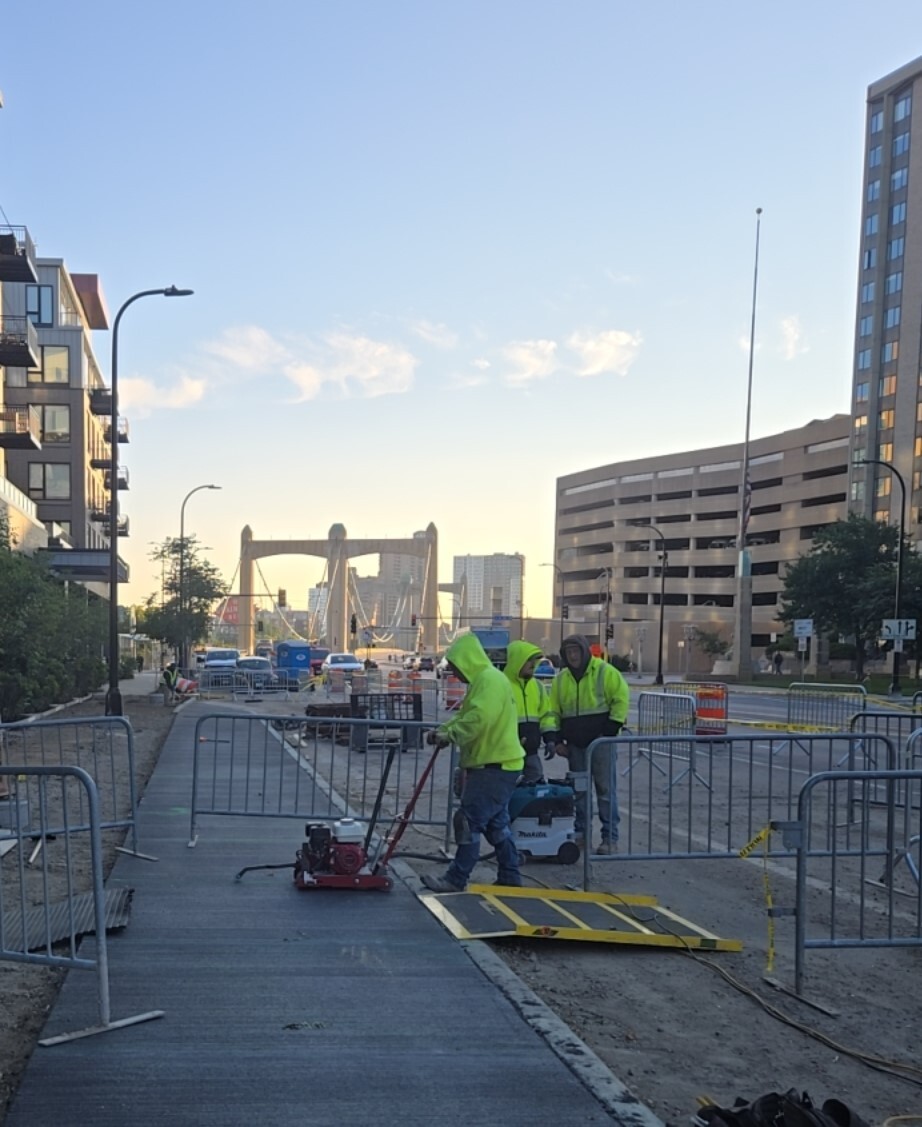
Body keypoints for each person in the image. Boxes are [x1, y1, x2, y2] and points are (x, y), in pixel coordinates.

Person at [421, 632, 524, 892]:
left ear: (467, 661)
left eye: (456, 667)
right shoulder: (486, 680)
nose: (456, 674)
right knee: (496, 825)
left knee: (467, 821)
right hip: (500, 764)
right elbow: (466, 715)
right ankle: (510, 875)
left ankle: (456, 879)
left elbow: (478, 719)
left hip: (494, 766)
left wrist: (449, 735)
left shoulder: (488, 681)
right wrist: (445, 730)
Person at [543, 634, 630, 855]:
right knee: (580, 792)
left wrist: (610, 729)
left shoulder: (604, 672)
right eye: (569, 652)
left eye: (576, 651)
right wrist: (555, 739)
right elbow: (553, 710)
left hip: (601, 743)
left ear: (584, 651)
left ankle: (609, 838)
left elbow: (620, 699)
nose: (573, 656)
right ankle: (581, 834)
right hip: (575, 745)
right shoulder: (561, 679)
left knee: (605, 791)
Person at [503, 640, 555, 786]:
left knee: (533, 792)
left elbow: (546, 715)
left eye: (534, 660)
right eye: (528, 660)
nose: (533, 664)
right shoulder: (502, 685)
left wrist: (550, 739)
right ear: (517, 661)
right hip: (507, 754)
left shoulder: (537, 686)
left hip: (531, 752)